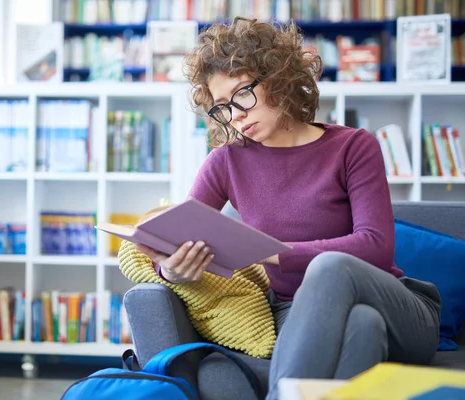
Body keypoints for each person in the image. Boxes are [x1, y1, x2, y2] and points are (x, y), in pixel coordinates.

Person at [135, 17, 442, 400]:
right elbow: (179, 233)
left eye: (242, 94)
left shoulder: (353, 147)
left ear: (278, 78)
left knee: (330, 267)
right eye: (222, 108)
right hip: (295, 311)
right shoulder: (225, 162)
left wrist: (273, 253)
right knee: (363, 327)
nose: (236, 115)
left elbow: (376, 246)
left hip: (398, 307)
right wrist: (173, 270)